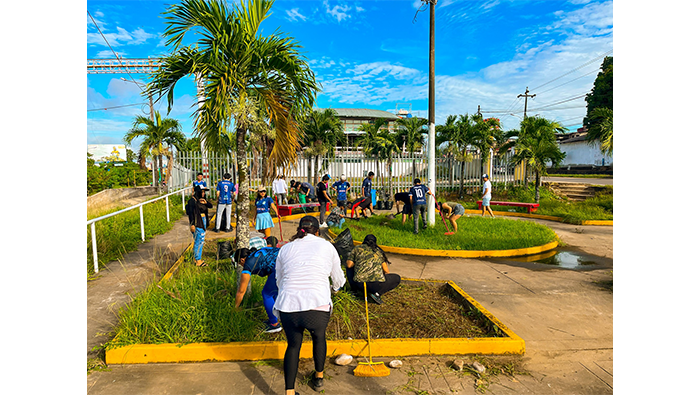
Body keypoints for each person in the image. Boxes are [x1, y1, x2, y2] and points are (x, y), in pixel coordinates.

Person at [273, 216, 346, 395]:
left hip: (289, 306)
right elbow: (338, 279)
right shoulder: (327, 246)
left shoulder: (285, 249)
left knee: (293, 346)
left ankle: (289, 392)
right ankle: (319, 378)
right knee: (319, 337)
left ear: (300, 229)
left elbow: (279, 280)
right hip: (317, 304)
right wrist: (334, 289)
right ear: (317, 231)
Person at [233, 237, 282, 333]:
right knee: (274, 292)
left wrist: (235, 308)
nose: (241, 266)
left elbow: (241, 291)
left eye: (239, 263)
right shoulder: (257, 253)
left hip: (280, 268)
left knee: (266, 294)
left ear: (242, 260)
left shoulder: (248, 265)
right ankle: (280, 317)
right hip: (289, 263)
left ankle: (274, 324)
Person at [346, 234, 400, 304]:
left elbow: (349, 265)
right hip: (376, 285)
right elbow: (386, 271)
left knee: (349, 268)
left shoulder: (357, 249)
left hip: (360, 284)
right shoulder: (378, 251)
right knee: (397, 278)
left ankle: (354, 291)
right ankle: (377, 294)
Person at [186, 185, 213, 267]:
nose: (203, 193)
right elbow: (190, 213)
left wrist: (205, 202)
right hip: (198, 222)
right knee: (199, 241)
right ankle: (198, 260)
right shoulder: (192, 201)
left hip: (203, 220)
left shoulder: (202, 200)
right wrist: (192, 224)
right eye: (202, 192)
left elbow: (210, 206)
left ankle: (196, 258)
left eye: (204, 192)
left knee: (200, 240)